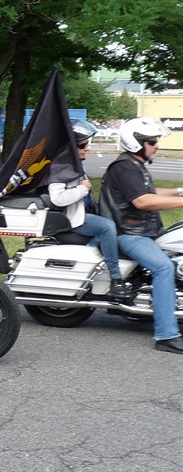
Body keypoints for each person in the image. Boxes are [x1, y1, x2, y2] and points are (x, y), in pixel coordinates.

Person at [99, 116, 183, 354]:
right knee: (164, 267)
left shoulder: (134, 165)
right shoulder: (124, 167)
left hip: (143, 231)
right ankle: (167, 335)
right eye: (152, 141)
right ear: (136, 142)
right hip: (128, 233)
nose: (157, 145)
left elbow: (150, 191)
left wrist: (179, 190)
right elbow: (142, 200)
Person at [48, 120, 130, 299]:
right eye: (83, 145)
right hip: (73, 219)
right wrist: (82, 188)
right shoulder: (60, 167)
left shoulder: (74, 165)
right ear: (71, 147)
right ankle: (116, 279)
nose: (87, 148)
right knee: (107, 227)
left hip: (84, 213)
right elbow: (58, 198)